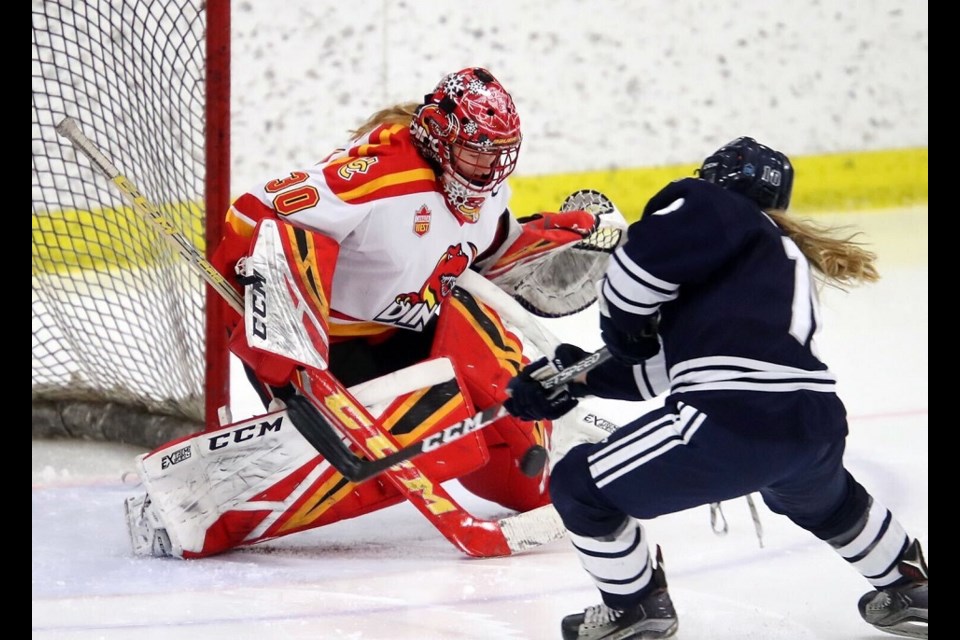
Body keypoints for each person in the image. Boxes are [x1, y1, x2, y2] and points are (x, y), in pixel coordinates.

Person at [122, 66, 615, 559]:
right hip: (328, 353)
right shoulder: (384, 175)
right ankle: (191, 504)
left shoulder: (485, 193)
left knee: (525, 477)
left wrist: (565, 235)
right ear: (440, 138)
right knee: (429, 421)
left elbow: (489, 256)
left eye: (498, 156)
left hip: (401, 338)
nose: (488, 171)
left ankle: (551, 449)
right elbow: (256, 215)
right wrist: (285, 336)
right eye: (476, 154)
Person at [504, 137, 928, 639]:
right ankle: (908, 584)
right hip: (812, 425)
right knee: (829, 504)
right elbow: (668, 366)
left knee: (580, 484)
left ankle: (634, 607)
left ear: (718, 180)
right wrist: (579, 380)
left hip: (733, 418)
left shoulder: (710, 205)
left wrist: (622, 326)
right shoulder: (766, 256)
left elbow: (637, 269)